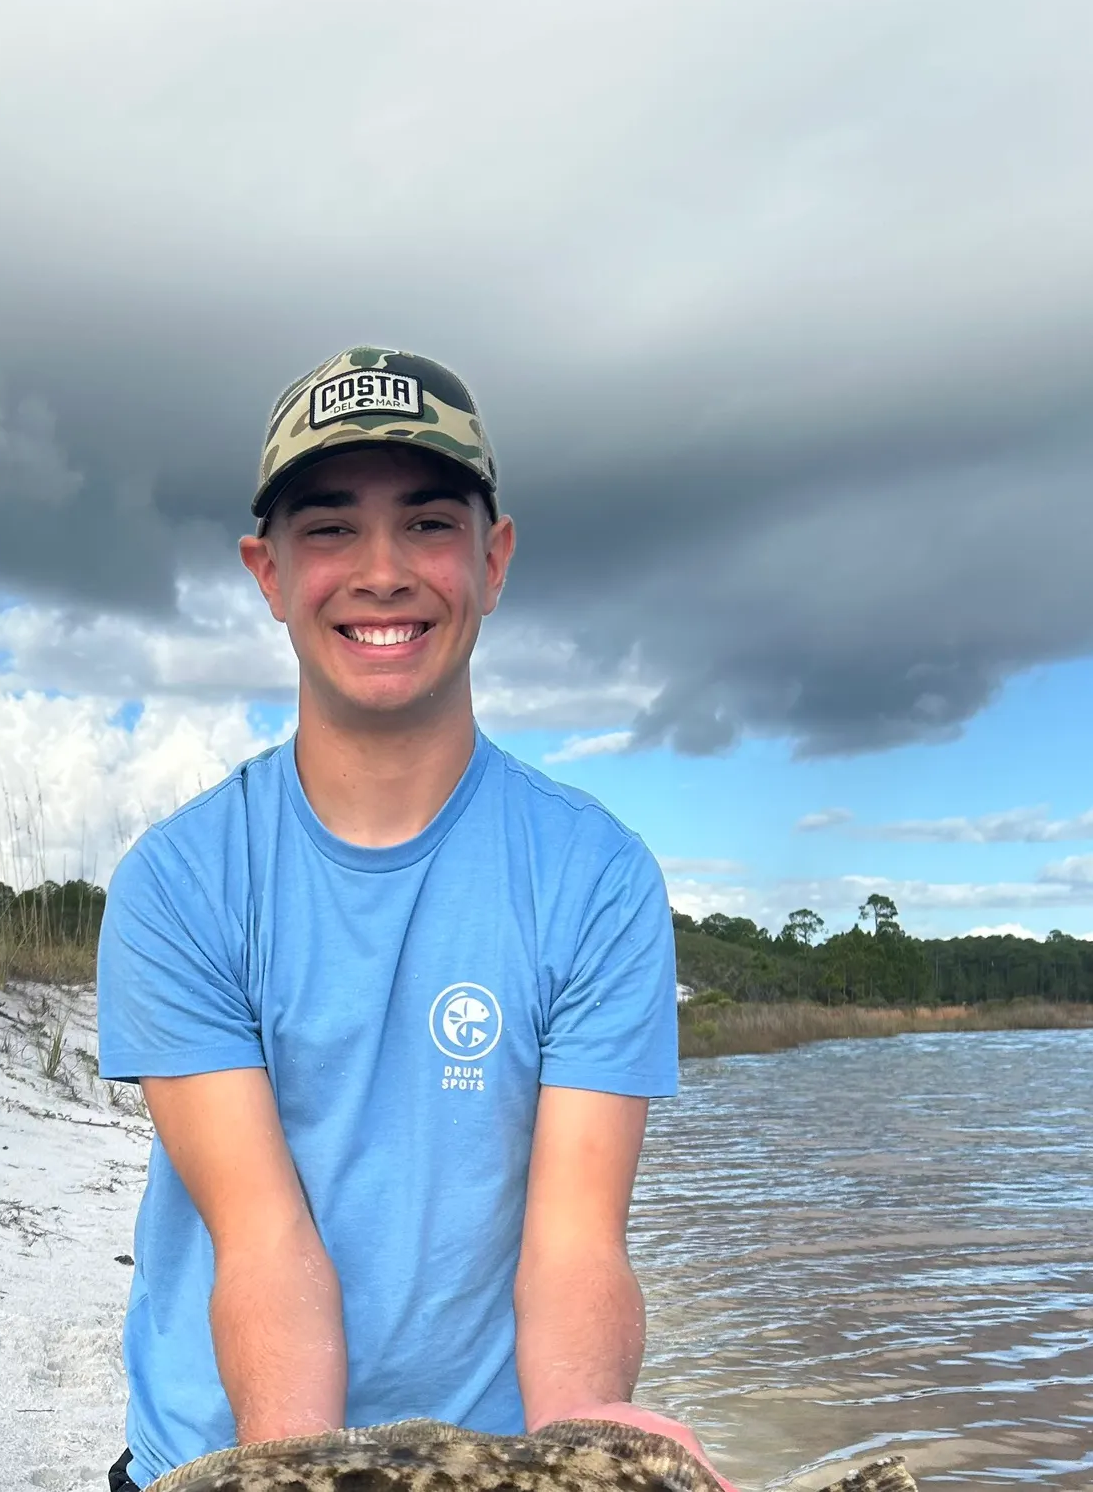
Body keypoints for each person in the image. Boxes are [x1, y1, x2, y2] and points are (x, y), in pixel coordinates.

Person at [97, 347, 726, 1492]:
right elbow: (264, 1246)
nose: (381, 572)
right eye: (329, 528)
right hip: (233, 1463)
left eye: (429, 523)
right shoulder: (179, 881)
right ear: (266, 571)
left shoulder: (595, 876)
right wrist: (298, 1479)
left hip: (495, 1464)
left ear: (493, 559)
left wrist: (591, 1443)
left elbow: (573, 1243)